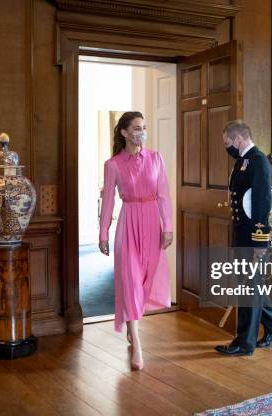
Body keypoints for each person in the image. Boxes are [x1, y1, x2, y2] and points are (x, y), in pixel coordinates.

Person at [99, 111, 173, 370]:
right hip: (128, 223)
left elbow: (163, 194)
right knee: (130, 280)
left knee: (146, 279)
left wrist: (168, 227)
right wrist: (103, 233)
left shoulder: (155, 158)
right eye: (137, 127)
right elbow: (108, 201)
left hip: (153, 222)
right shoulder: (113, 165)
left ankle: (132, 320)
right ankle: (137, 346)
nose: (142, 131)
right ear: (124, 132)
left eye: (144, 127)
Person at [214, 120, 272, 356]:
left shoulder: (258, 161)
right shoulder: (243, 161)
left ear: (237, 139)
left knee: (248, 289)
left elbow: (262, 204)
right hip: (241, 234)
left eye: (227, 142)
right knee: (249, 286)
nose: (227, 147)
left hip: (253, 238)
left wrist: (259, 242)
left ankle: (244, 343)